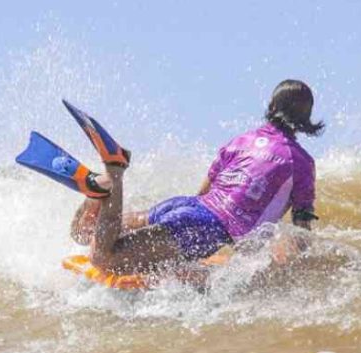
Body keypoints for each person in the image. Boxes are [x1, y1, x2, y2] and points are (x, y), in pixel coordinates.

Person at [72, 79, 322, 276]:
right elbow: (302, 233)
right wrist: (301, 272)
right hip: (204, 228)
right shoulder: (300, 163)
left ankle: (97, 193)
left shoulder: (242, 140)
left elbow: (203, 192)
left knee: (85, 233)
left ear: (271, 107)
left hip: (188, 206)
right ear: (305, 119)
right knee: (105, 258)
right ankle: (113, 176)